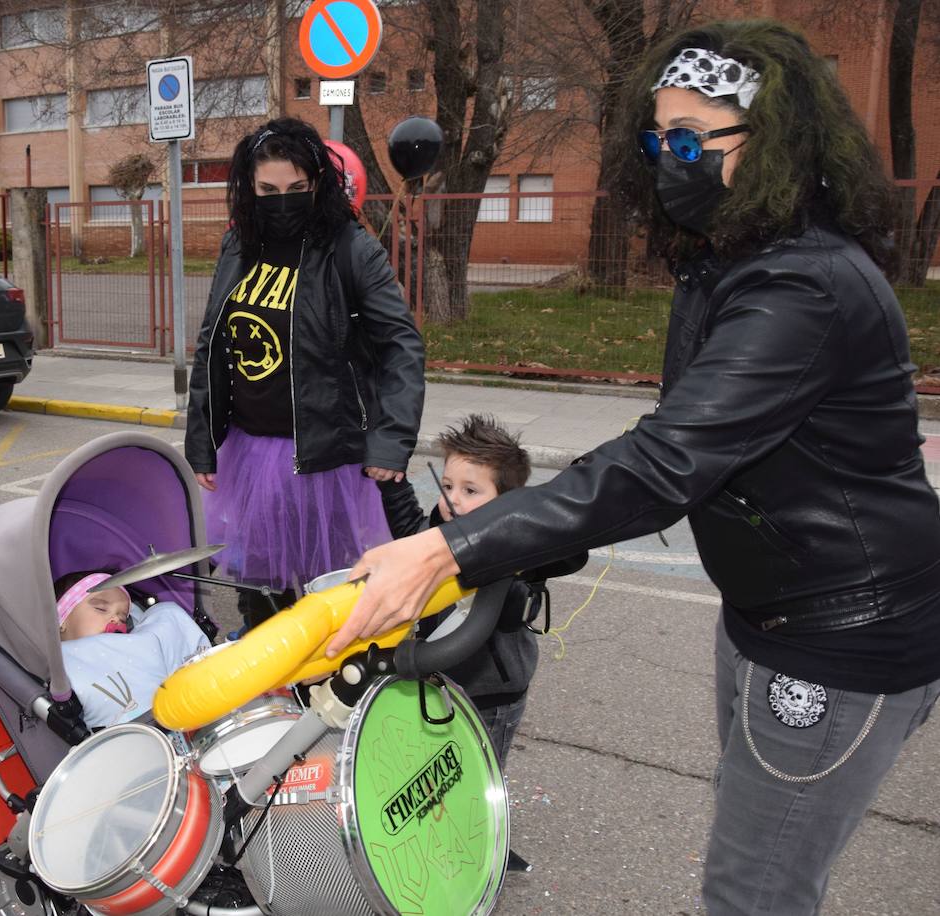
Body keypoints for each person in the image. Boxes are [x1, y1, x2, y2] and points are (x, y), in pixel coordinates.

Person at [327, 20, 940, 916]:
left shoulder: (800, 288)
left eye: (691, 140)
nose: (667, 160)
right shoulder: (733, 261)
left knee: (753, 892)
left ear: (770, 144)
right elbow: (686, 434)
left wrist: (445, 551)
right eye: (656, 139)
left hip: (840, 633)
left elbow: (665, 461)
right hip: (769, 613)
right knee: (755, 854)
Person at [186, 117, 425, 627]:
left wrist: (392, 440)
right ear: (248, 188)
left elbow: (401, 344)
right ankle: (274, 699)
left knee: (329, 602)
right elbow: (213, 342)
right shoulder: (238, 246)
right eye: (268, 189)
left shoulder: (350, 247)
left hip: (326, 459)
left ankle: (331, 696)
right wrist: (203, 438)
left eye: (297, 188)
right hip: (250, 454)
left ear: (318, 183)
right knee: (261, 598)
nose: (282, 200)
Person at [379, 415, 586, 769]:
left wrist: (524, 525)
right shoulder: (437, 530)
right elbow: (408, 526)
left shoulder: (518, 547)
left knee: (479, 774)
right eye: (447, 486)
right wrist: (391, 482)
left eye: (470, 490)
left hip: (492, 696)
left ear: (506, 501)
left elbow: (571, 553)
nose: (452, 500)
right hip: (437, 683)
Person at [54, 571, 211, 727]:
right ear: (61, 620)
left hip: (172, 711)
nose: (115, 619)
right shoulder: (58, 660)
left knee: (166, 613)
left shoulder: (137, 642)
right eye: (101, 609)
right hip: (124, 735)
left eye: (123, 618)